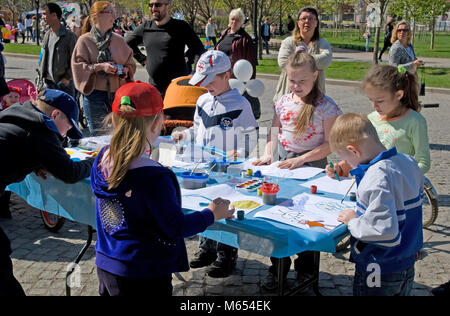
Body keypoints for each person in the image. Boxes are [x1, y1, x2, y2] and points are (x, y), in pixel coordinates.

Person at [91, 81, 234, 296]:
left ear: (113, 120)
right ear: (159, 122)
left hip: (108, 263)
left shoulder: (102, 158)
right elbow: (175, 227)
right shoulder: (154, 176)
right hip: (145, 271)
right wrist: (211, 214)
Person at [253, 51, 341, 290]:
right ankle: (277, 268)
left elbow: (331, 143)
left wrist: (302, 159)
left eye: (302, 81)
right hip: (283, 165)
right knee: (278, 220)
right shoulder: (283, 101)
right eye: (292, 80)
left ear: (315, 75)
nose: (296, 85)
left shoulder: (326, 106)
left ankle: (306, 271)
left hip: (310, 167)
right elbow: (274, 131)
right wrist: (267, 155)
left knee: (306, 220)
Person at [171, 50, 258, 278]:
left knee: (224, 207)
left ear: (226, 74)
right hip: (202, 166)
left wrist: (238, 152)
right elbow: (198, 129)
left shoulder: (241, 103)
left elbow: (251, 136)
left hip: (229, 170)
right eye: (203, 80)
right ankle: (206, 246)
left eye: (211, 80)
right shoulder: (201, 100)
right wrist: (186, 135)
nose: (206, 85)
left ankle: (226, 254)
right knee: (204, 203)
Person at [0, 89, 93, 295]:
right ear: (55, 115)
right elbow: (70, 172)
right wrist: (95, 162)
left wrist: (36, 162)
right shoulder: (40, 129)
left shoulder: (20, 113)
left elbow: (16, 144)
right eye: (68, 127)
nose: (65, 134)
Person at [330, 113, 423, 296]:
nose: (348, 164)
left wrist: (353, 221)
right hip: (406, 260)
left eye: (347, 159)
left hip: (379, 266)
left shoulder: (377, 176)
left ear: (354, 151)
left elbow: (384, 232)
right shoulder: (408, 161)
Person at [326, 65, 430, 178]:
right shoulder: (370, 118)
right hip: (369, 183)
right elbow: (360, 155)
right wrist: (340, 169)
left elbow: (423, 163)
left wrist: (399, 177)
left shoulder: (415, 121)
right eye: (371, 100)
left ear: (399, 95)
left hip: (395, 186)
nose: (374, 105)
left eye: (380, 101)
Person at [71, 1, 136, 136]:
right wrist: (100, 67)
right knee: (99, 138)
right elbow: (78, 67)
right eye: (110, 12)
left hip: (118, 96)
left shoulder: (119, 40)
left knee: (119, 135)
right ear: (98, 15)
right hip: (95, 97)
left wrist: (125, 70)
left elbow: (131, 64)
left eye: (114, 12)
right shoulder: (84, 41)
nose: (114, 16)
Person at [126, 0, 205, 97]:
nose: (153, 8)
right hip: (155, 89)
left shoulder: (181, 26)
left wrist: (194, 72)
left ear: (168, 6)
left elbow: (199, 48)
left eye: (158, 5)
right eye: (151, 5)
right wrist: (142, 59)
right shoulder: (145, 27)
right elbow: (127, 44)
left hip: (178, 87)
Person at [273, 7, 332, 106]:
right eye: (303, 19)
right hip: (289, 95)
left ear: (316, 23)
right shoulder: (288, 42)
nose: (307, 21)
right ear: (298, 23)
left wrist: (301, 58)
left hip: (314, 97)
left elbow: (326, 60)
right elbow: (283, 62)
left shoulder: (322, 43)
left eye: (311, 19)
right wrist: (310, 63)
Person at [216, 8, 260, 119]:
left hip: (235, 78)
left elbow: (250, 63)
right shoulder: (224, 33)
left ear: (241, 22)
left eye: (237, 20)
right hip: (221, 75)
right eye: (232, 19)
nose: (234, 22)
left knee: (235, 106)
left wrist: (249, 81)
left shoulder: (245, 39)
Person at [39, 3, 78, 100]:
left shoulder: (69, 36)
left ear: (54, 15)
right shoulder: (47, 34)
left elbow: (76, 60)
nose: (42, 17)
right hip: (49, 82)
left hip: (64, 84)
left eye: (45, 14)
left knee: (66, 112)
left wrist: (67, 78)